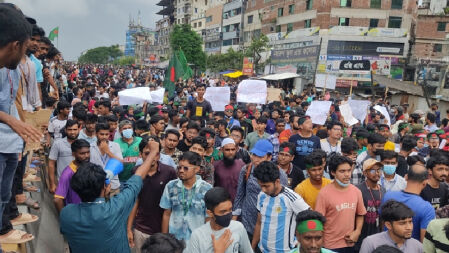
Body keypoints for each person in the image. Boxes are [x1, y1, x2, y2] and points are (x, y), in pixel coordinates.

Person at [59, 139, 161, 252]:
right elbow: (137, 178)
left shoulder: (66, 213)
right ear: (106, 187)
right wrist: (153, 152)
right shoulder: (115, 208)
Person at [233, 139, 288, 246]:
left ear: (269, 157)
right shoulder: (246, 170)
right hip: (247, 222)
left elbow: (283, 200)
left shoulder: (280, 175)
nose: (256, 159)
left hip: (268, 225)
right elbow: (239, 195)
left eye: (260, 157)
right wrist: (234, 220)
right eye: (254, 155)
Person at [126, 136, 177, 252]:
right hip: (141, 228)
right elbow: (135, 201)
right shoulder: (136, 172)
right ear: (140, 154)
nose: (152, 157)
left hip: (163, 228)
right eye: (147, 153)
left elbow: (172, 205)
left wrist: (165, 235)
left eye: (155, 154)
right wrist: (129, 229)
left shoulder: (169, 172)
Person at [252, 161, 310, 252]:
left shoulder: (292, 198)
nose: (263, 189)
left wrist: (301, 242)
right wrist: (252, 247)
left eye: (266, 186)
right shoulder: (261, 195)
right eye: (261, 186)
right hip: (262, 250)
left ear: (277, 181)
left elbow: (311, 218)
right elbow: (259, 223)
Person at [315, 155, 366, 253]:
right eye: (342, 171)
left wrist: (357, 231)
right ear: (333, 172)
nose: (347, 174)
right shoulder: (324, 194)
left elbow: (360, 214)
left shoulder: (356, 191)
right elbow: (319, 221)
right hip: (330, 245)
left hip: (350, 243)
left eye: (349, 170)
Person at [160, 151, 213, 241]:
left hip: (197, 241)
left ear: (196, 169)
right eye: (179, 167)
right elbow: (166, 214)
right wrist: (165, 239)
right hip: (174, 240)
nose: (181, 170)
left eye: (185, 168)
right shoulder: (170, 186)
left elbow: (208, 218)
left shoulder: (207, 189)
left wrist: (206, 240)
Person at [184, 187, 253, 253]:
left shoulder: (238, 227)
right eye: (223, 212)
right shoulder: (197, 236)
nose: (228, 215)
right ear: (210, 213)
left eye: (230, 209)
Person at [381, 164, 435, 241]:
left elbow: (382, 224)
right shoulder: (427, 208)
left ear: (406, 177)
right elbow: (424, 241)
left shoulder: (388, 196)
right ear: (425, 182)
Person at [355, 159, 386, 251]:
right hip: (362, 235)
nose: (377, 173)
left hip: (378, 235)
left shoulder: (383, 190)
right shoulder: (358, 190)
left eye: (379, 170)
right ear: (365, 173)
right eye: (372, 170)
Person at [54, 139, 90, 213]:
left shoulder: (89, 167)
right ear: (73, 154)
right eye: (82, 153)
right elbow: (57, 200)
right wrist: (66, 218)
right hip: (76, 214)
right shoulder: (68, 173)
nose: (86, 156)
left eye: (88, 152)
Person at [90, 122, 123, 194]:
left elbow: (120, 162)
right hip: (96, 186)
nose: (104, 137)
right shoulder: (90, 147)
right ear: (96, 134)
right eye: (101, 134)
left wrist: (108, 152)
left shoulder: (115, 145)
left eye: (107, 134)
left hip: (113, 185)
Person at [48, 119, 80, 193]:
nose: (72, 132)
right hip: (63, 182)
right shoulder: (58, 144)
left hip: (80, 182)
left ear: (79, 129)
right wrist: (52, 184)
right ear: (65, 130)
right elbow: (51, 164)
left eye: (75, 129)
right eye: (70, 129)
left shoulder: (83, 143)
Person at [213, 138, 245, 202]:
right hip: (221, 202)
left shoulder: (242, 165)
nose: (230, 152)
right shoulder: (215, 165)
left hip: (238, 203)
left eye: (233, 150)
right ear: (222, 150)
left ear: (236, 150)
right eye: (227, 150)